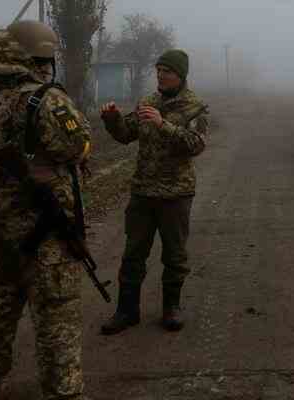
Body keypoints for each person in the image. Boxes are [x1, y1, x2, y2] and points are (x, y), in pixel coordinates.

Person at [0, 20, 92, 400]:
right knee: (56, 317)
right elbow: (78, 146)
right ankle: (65, 392)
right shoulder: (45, 99)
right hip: (45, 231)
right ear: (43, 57)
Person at [98, 49, 210, 335]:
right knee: (133, 253)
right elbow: (125, 134)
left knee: (174, 255)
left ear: (180, 75)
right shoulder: (147, 102)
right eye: (158, 70)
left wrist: (164, 125)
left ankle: (171, 308)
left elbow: (196, 145)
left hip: (176, 194)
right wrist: (112, 119)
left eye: (167, 71)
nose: (160, 75)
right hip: (143, 192)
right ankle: (126, 311)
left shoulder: (194, 106)